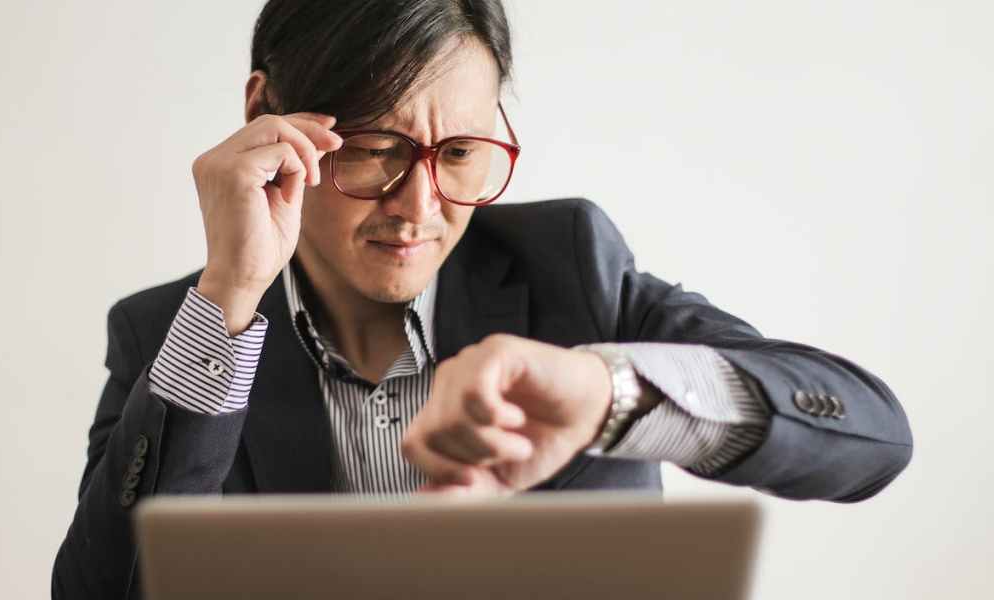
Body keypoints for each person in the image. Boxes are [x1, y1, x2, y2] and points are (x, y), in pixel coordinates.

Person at [53, 1, 912, 597]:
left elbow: (868, 436)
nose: (419, 210)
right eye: (375, 148)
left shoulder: (571, 266)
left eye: (460, 153)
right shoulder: (170, 333)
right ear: (265, 117)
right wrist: (230, 300)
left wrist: (609, 398)